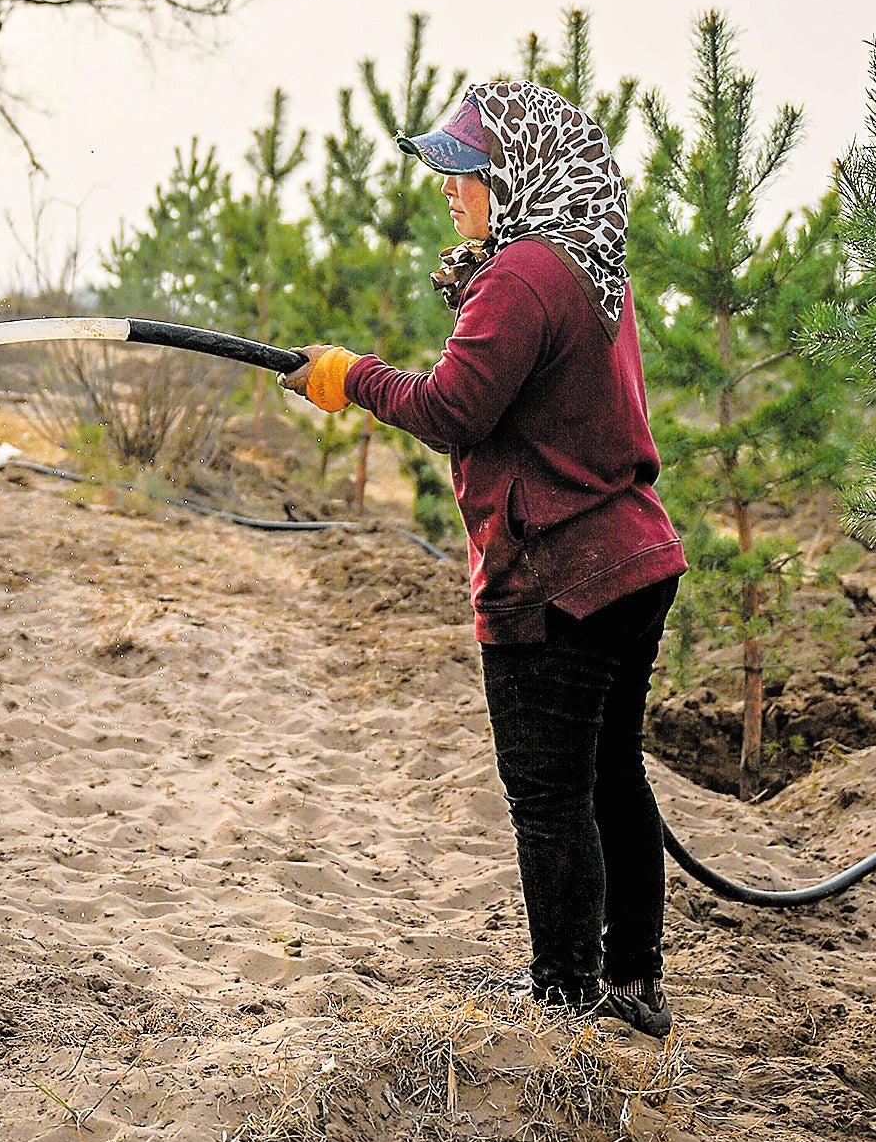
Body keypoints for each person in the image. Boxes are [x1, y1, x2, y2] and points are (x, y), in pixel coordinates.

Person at [280, 81, 686, 1037]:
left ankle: (565, 994)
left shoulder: (525, 275)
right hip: (634, 559)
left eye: (465, 168)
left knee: (549, 793)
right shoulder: (590, 265)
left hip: (560, 575)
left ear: (515, 173)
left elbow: (451, 409)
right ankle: (631, 984)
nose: (449, 187)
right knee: (612, 776)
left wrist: (349, 377)